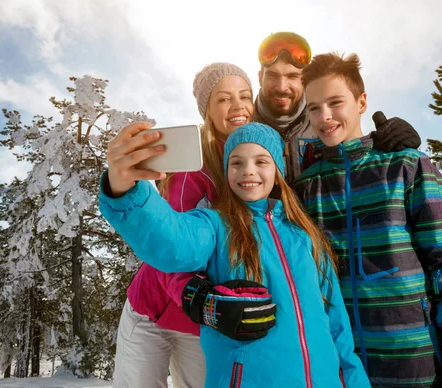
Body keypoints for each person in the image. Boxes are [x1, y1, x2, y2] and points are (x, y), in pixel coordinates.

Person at [100, 122, 372, 388]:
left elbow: (337, 327)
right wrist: (126, 189)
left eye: (261, 161)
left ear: (278, 170)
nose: (248, 171)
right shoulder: (215, 225)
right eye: (236, 163)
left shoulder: (306, 236)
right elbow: (172, 240)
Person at [292, 52, 442, 388]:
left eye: (336, 102)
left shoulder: (407, 166)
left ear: (361, 101)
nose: (324, 117)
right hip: (341, 363)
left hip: (412, 358)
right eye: (313, 107)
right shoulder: (309, 185)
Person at [111, 63, 275, 387]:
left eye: (244, 96)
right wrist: (200, 298)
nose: (238, 105)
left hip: (200, 325)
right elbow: (171, 247)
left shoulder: (260, 163)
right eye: (224, 99)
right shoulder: (192, 172)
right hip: (153, 311)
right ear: (208, 111)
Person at [253, 32, 420, 183]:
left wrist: (385, 142)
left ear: (304, 81)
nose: (282, 87)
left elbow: (355, 152)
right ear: (260, 78)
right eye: (272, 76)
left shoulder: (326, 124)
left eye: (292, 76)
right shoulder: (243, 127)